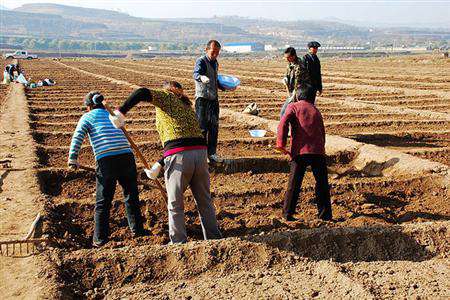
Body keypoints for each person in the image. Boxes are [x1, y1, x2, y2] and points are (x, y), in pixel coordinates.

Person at [109, 82, 222, 244]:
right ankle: (214, 239)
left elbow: (141, 92)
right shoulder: (186, 105)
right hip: (200, 153)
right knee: (204, 201)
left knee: (175, 203)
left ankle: (178, 242)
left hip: (180, 156)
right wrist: (160, 164)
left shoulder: (166, 97)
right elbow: (185, 138)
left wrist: (121, 112)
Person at [68, 91, 145, 247]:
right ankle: (138, 230)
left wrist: (72, 159)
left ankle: (100, 239)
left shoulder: (87, 117)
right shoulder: (114, 115)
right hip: (126, 156)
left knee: (103, 201)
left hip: (106, 160)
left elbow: (78, 136)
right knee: (131, 195)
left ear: (89, 106)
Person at [276, 85, 332, 222]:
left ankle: (287, 214)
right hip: (318, 151)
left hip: (300, 151)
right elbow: (322, 132)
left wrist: (281, 144)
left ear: (298, 96)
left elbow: (283, 123)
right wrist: (321, 150)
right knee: (322, 184)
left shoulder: (293, 107)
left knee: (294, 183)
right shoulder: (316, 110)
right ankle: (325, 215)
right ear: (313, 98)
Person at [193, 40, 227, 162]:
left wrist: (224, 87)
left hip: (213, 99)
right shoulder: (201, 61)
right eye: (213, 51)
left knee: (214, 126)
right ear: (207, 50)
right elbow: (196, 74)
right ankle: (200, 155)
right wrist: (201, 77)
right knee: (202, 127)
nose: (215, 54)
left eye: (217, 52)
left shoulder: (215, 63)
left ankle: (211, 153)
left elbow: (215, 79)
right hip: (202, 99)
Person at [280, 47, 309, 117]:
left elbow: (298, 81)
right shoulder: (290, 63)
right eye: (286, 57)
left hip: (300, 93)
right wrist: (285, 78)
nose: (287, 59)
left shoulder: (300, 65)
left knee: (284, 113)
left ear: (293, 56)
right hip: (292, 92)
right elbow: (287, 74)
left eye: (288, 57)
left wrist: (294, 94)